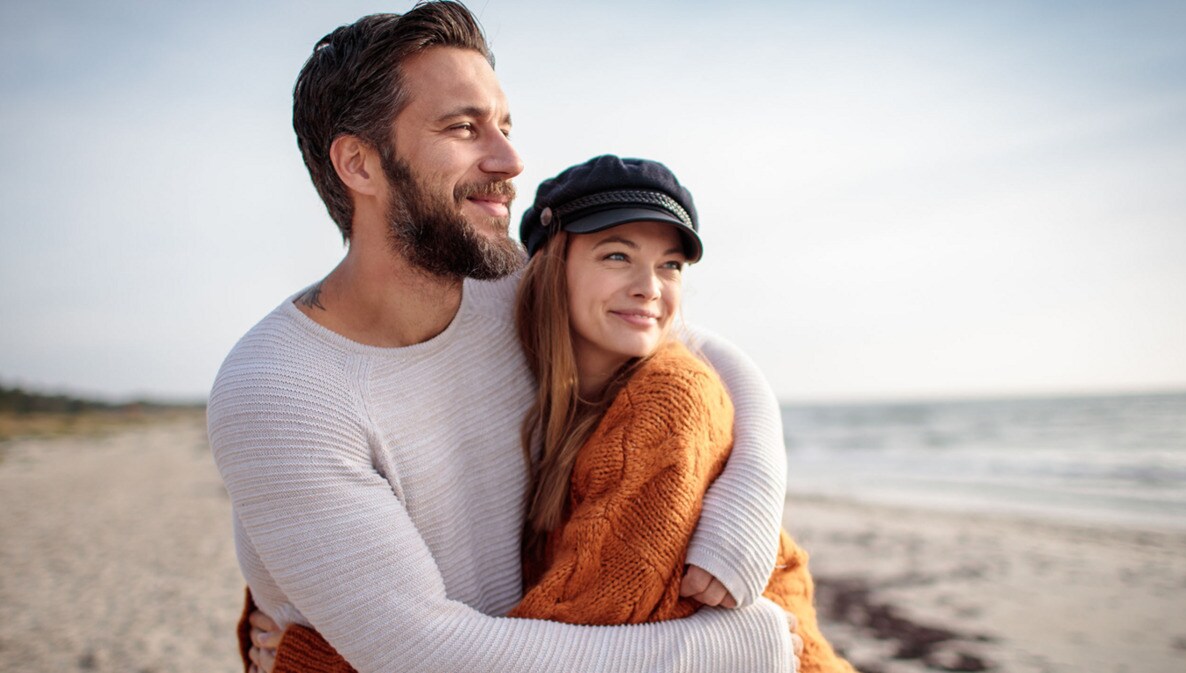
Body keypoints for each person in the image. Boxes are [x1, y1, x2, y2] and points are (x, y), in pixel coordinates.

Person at [208, 3, 798, 673]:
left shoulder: (504, 286)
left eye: (505, 126)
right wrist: (728, 650)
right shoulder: (280, 392)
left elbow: (705, 350)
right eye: (464, 127)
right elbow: (425, 652)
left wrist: (750, 496)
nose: (510, 160)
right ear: (360, 164)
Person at [245, 156, 854, 673]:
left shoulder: (667, 402)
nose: (650, 286)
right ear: (548, 268)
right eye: (617, 255)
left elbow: (578, 638)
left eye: (671, 265)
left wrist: (324, 660)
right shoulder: (552, 379)